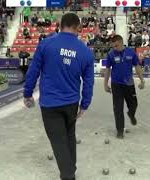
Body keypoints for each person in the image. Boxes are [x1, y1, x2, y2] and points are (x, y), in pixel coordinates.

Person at [23, 13, 94, 180]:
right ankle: (71, 169)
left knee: (58, 141)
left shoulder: (46, 44)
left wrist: (27, 93)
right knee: (69, 136)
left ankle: (68, 175)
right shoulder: (85, 51)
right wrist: (85, 104)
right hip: (71, 102)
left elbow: (33, 71)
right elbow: (89, 82)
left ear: (60, 24)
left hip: (50, 103)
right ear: (78, 28)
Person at [104, 35, 145, 139]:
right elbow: (108, 69)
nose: (115, 48)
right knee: (117, 109)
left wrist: (142, 80)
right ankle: (120, 130)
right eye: (113, 46)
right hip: (116, 85)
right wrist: (105, 84)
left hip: (129, 84)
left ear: (121, 42)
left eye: (116, 46)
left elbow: (137, 66)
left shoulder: (131, 52)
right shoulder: (111, 54)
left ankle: (131, 114)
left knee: (134, 104)